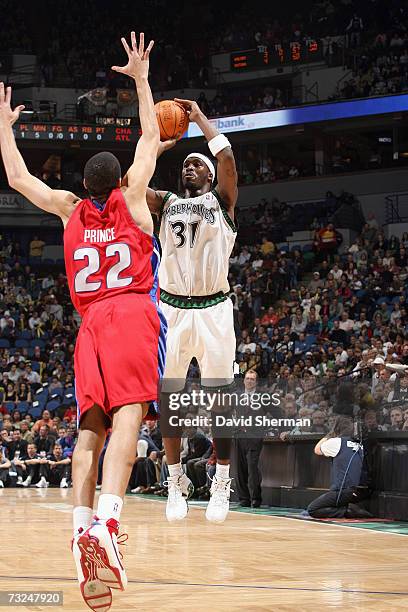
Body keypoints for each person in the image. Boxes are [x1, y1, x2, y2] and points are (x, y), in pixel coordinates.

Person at [0, 32, 164, 612]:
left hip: (89, 323)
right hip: (129, 312)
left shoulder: (69, 208)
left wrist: (4, 126)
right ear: (117, 183)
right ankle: (108, 525)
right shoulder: (135, 199)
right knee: (129, 419)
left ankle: (78, 528)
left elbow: (19, 180)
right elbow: (150, 135)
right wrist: (141, 80)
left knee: (88, 430)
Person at [147, 95, 238, 523]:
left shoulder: (222, 201)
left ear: (209, 174)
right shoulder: (165, 202)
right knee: (171, 402)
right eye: (185, 164)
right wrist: (155, 144)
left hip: (215, 308)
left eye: (197, 164)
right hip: (172, 309)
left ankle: (221, 481)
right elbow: (131, 183)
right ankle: (175, 479)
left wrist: (200, 118)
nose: (190, 167)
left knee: (221, 401)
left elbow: (228, 158)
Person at [307, 416, 371, 519]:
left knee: (312, 509)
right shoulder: (359, 445)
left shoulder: (337, 442)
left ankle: (347, 511)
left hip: (343, 491)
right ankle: (348, 507)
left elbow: (317, 449)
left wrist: (331, 433)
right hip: (359, 492)